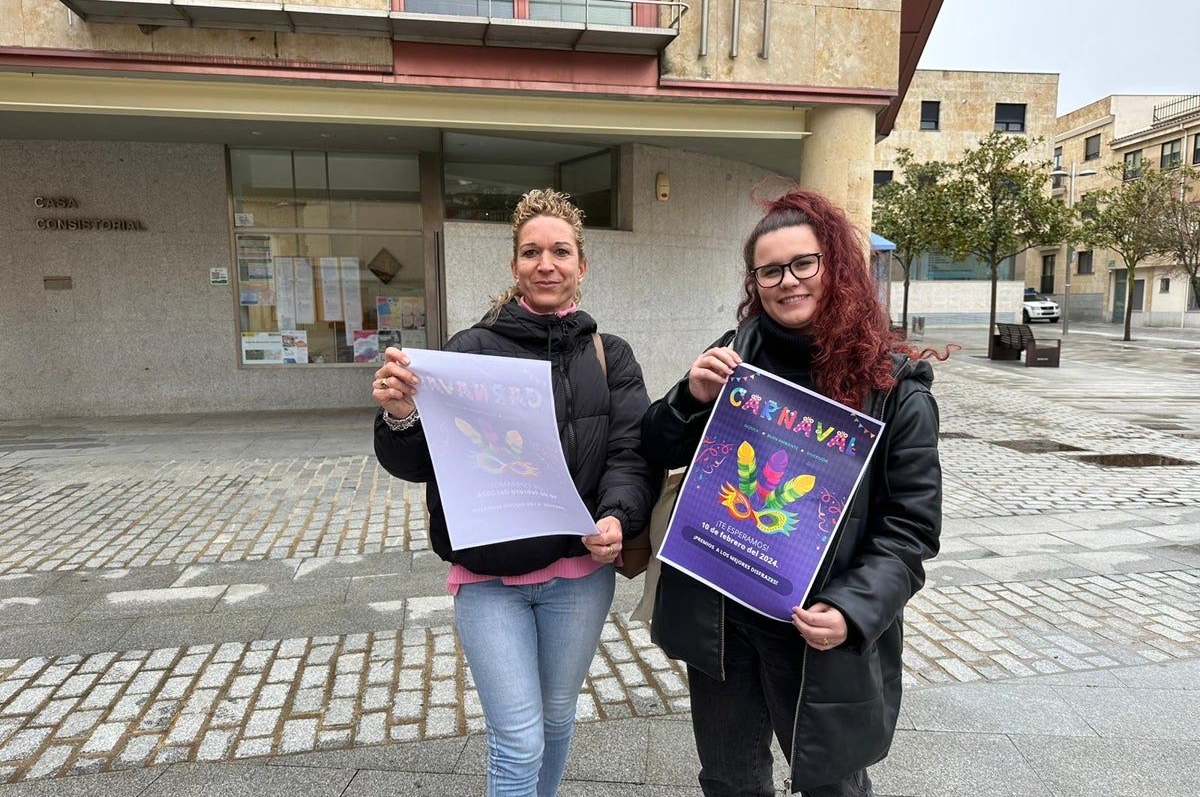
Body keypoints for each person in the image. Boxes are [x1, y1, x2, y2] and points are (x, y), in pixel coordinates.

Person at [641, 189, 943, 797]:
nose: (788, 281)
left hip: (813, 626)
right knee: (729, 778)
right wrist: (687, 399)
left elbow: (910, 529)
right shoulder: (732, 360)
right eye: (770, 270)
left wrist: (854, 608)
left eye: (804, 263)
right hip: (722, 612)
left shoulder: (893, 387)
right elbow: (655, 449)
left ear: (835, 266)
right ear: (756, 281)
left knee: (831, 784)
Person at [372, 188, 658, 797]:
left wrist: (616, 516)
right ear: (515, 267)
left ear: (582, 265)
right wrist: (400, 415)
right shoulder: (468, 352)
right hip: (490, 581)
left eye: (560, 251)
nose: (546, 263)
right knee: (519, 737)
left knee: (556, 722)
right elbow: (419, 463)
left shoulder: (612, 357)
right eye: (532, 252)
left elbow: (629, 452)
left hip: (580, 575)